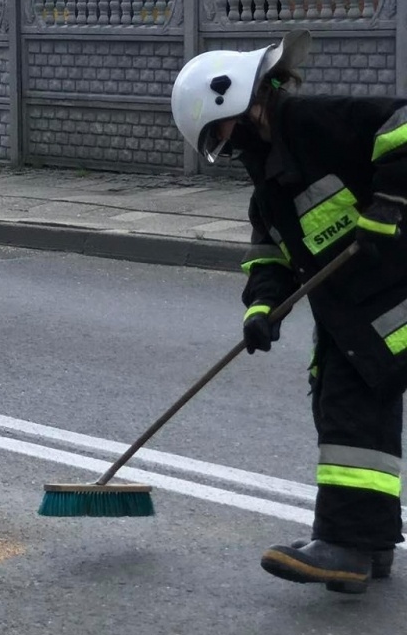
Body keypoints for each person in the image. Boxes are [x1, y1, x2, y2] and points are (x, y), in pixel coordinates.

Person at [172, 29, 406, 594]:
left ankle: (346, 544)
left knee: (351, 410)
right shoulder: (270, 182)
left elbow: (402, 126)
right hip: (354, 309)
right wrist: (261, 308)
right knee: (347, 405)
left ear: (235, 101)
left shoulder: (311, 123)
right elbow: (269, 252)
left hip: (391, 295)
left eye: (221, 132)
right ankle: (367, 543)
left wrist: (391, 202)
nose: (225, 146)